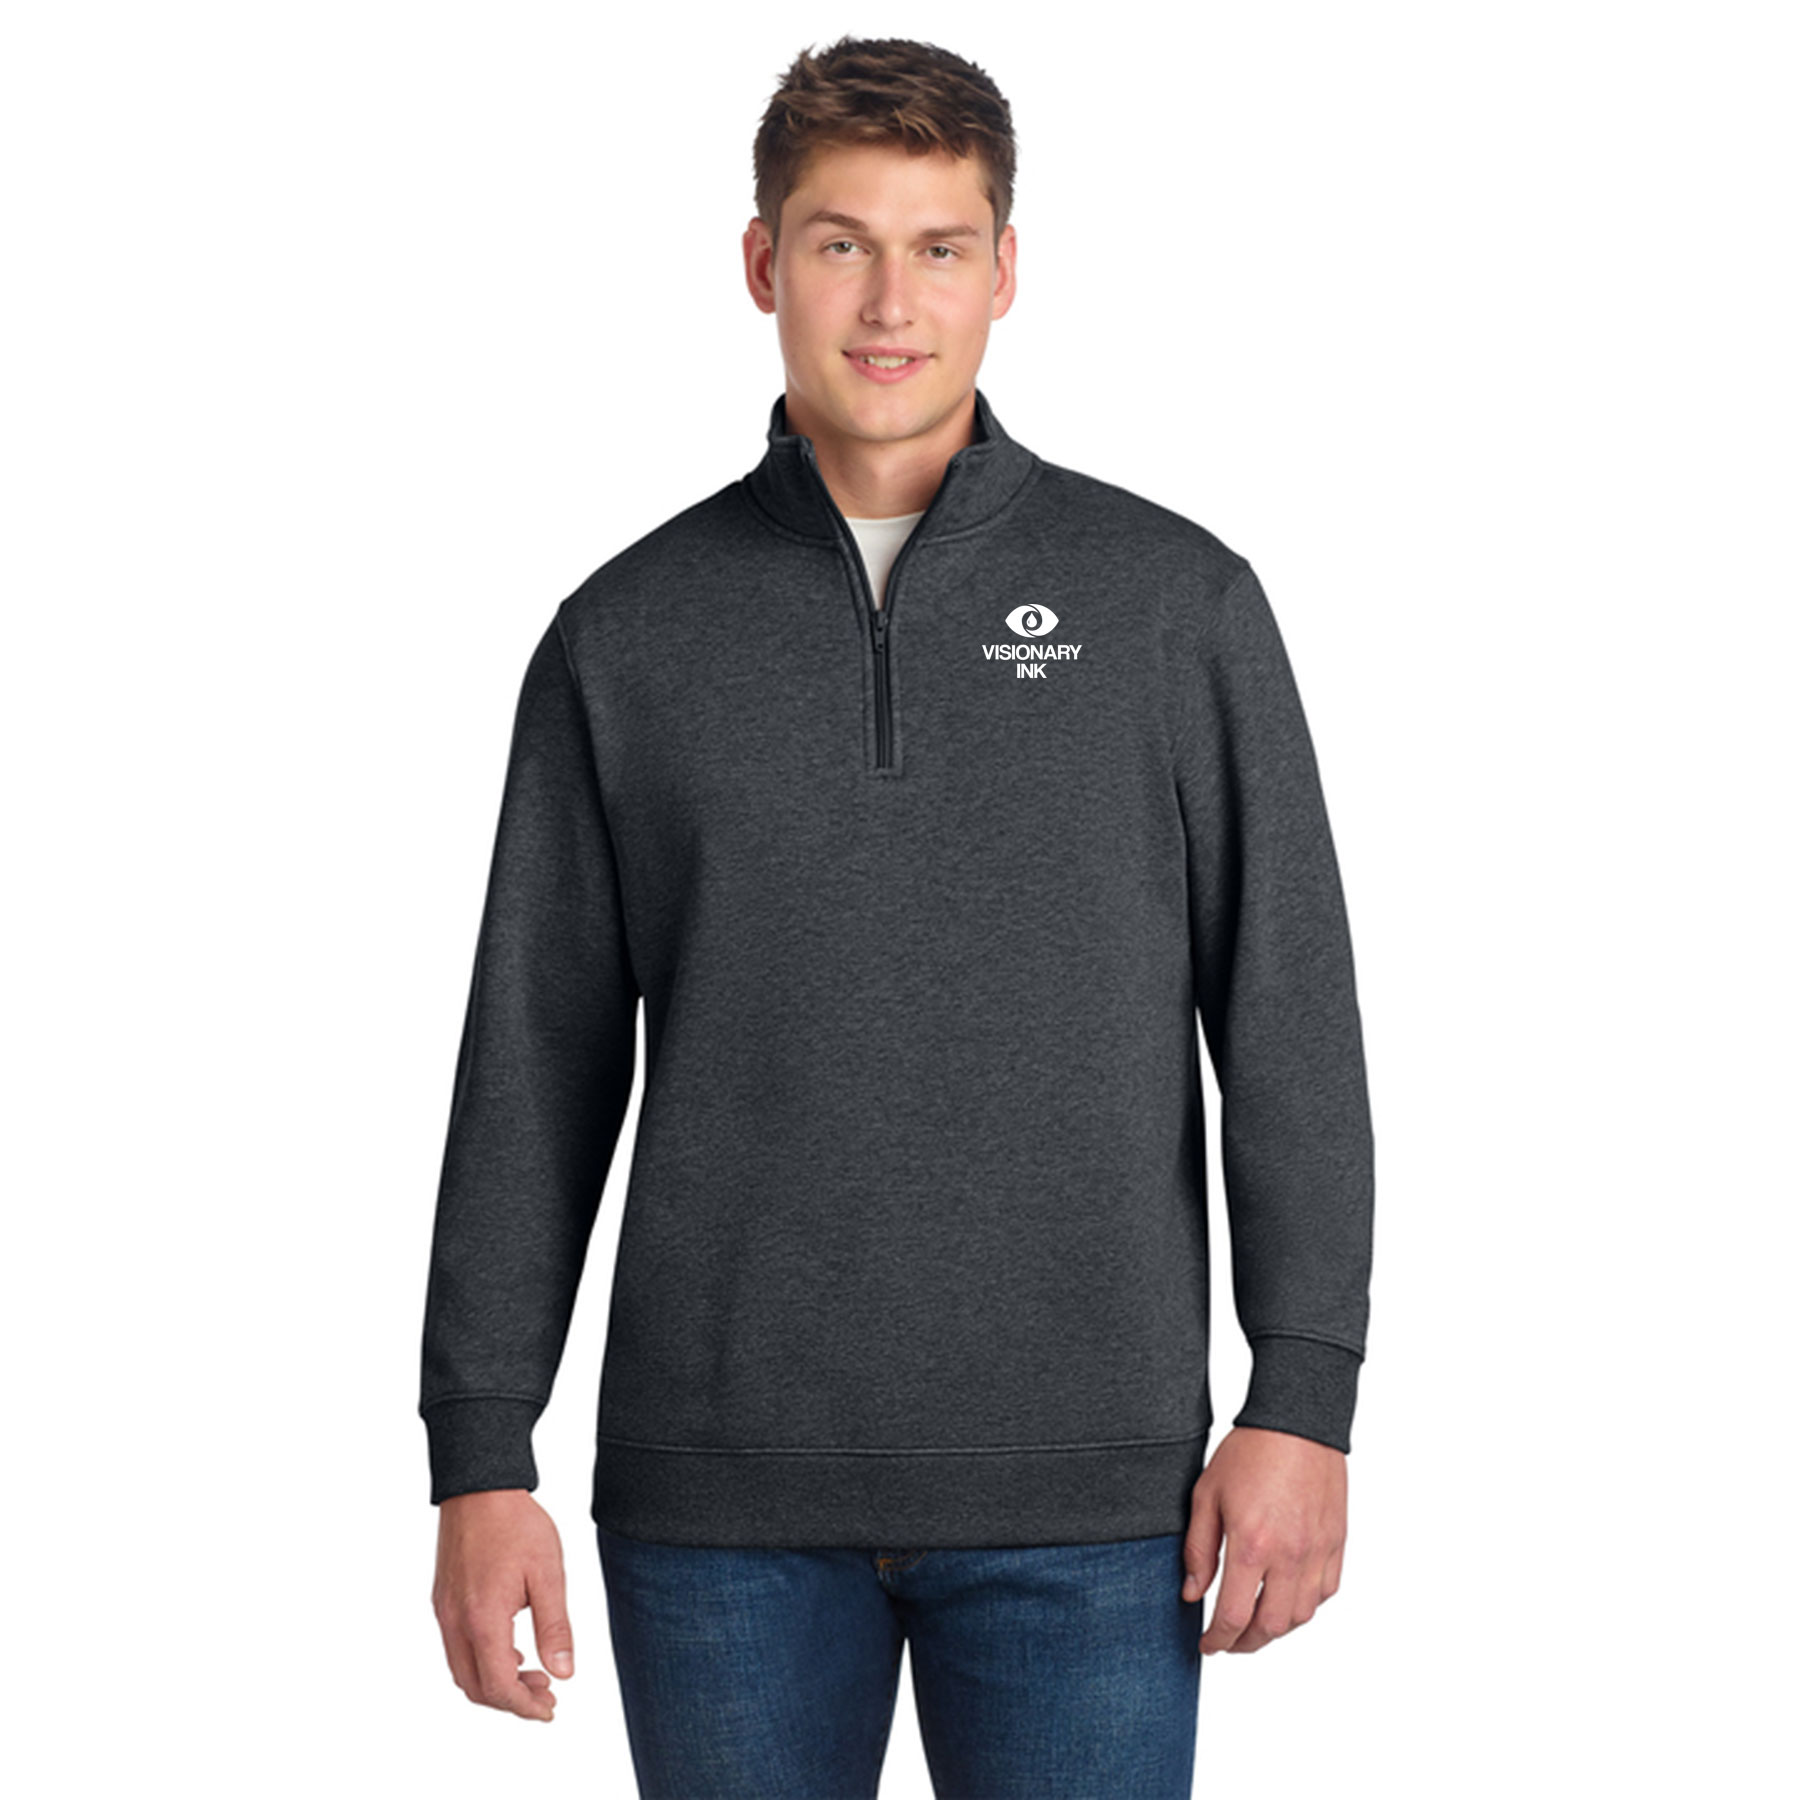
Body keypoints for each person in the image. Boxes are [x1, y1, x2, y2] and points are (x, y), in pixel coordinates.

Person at [419, 34, 1375, 1798]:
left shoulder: (1174, 606)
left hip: (1094, 1498)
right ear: (762, 263)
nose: (889, 302)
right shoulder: (625, 636)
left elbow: (1290, 1023)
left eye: (938, 247)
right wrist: (481, 1451)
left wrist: (1301, 1396)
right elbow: (531, 1070)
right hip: (717, 1510)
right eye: (841, 242)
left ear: (1005, 271)